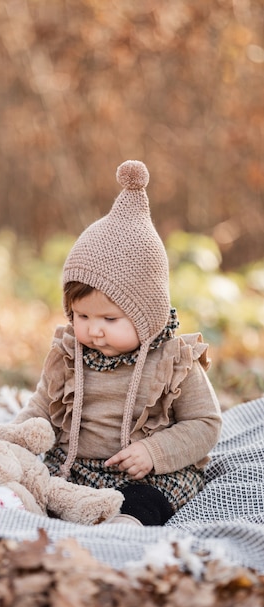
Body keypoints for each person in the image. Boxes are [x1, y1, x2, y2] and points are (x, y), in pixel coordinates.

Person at [13, 159, 222, 526]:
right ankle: (25, 507)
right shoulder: (68, 356)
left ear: (148, 314)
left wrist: (154, 451)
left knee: (144, 500)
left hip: (148, 474)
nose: (94, 330)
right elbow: (40, 409)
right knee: (33, 478)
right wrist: (17, 440)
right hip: (74, 468)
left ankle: (124, 525)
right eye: (82, 316)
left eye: (110, 319)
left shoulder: (174, 362)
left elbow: (205, 423)